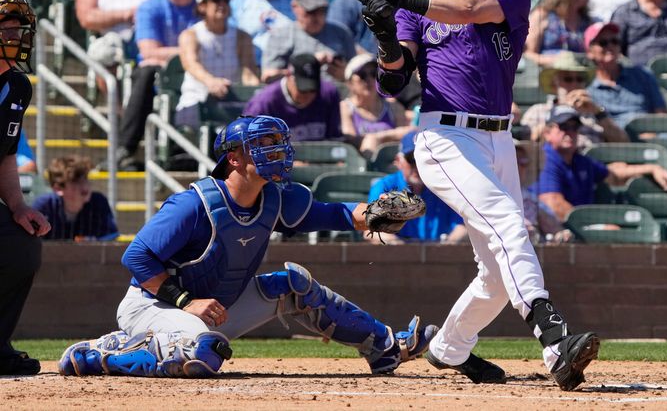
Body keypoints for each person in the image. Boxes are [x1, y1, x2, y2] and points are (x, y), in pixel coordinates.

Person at [355, 0, 599, 390]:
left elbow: (466, 10)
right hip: (445, 137)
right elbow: (392, 81)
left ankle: (448, 348)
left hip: (498, 136)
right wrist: (384, 31)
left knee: (494, 268)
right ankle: (555, 341)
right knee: (510, 223)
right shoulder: (417, 8)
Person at [58, 115, 437, 378]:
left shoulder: (275, 197)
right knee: (204, 352)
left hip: (215, 310)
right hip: (154, 306)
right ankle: (102, 353)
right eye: (263, 146)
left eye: (277, 144)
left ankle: (386, 346)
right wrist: (185, 301)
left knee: (293, 285)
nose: (276, 151)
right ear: (234, 157)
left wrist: (373, 213)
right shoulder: (195, 204)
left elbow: (336, 214)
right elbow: (135, 256)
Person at [0, 0, 51, 375]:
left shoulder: (17, 87)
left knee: (21, 244)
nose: (16, 35)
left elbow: (5, 155)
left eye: (19, 28)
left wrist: (18, 207)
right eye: (7, 28)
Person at [113, 0, 199, 171]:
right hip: (161, 73)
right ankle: (126, 147)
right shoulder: (150, 7)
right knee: (147, 72)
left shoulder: (205, 2)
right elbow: (150, 51)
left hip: (200, 72)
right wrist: (190, 53)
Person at [537, 105, 667, 229]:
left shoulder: (579, 161)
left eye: (574, 128)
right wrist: (594, 225)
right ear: (547, 133)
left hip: (578, 229)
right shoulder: (545, 158)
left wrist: (651, 168)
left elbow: (613, 176)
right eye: (564, 127)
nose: (570, 133)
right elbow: (553, 204)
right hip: (555, 231)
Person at [174, 0, 259, 128]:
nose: (222, 4)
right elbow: (191, 64)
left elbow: (249, 73)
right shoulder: (190, 35)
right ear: (202, 6)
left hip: (230, 103)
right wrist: (210, 82)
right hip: (195, 100)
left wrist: (257, 92)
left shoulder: (242, 37)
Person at [367, 130, 466, 244]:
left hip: (439, 254)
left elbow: (463, 225)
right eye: (412, 159)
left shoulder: (445, 185)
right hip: (398, 256)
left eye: (423, 160)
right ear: (398, 161)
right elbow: (372, 230)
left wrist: (447, 246)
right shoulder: (385, 186)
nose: (418, 166)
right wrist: (402, 249)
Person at [521, 50, 627, 146]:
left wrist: (598, 113)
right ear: (555, 83)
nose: (574, 84)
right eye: (568, 79)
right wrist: (557, 113)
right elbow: (530, 144)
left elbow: (623, 143)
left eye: (579, 79)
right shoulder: (538, 111)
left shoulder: (595, 112)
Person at [261, 0, 354, 83]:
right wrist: (308, 63)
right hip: (297, 96)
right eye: (311, 11)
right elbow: (268, 76)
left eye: (322, 10)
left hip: (337, 95)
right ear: (295, 7)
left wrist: (346, 73)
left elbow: (358, 69)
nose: (317, 17)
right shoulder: (280, 36)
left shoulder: (341, 33)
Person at [584, 22, 667, 130]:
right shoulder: (585, 84)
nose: (610, 46)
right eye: (603, 43)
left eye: (614, 41)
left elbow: (661, 114)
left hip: (648, 136)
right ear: (590, 52)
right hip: (611, 141)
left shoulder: (642, 74)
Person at [243, 53, 342, 142]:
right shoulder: (265, 102)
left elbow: (335, 139)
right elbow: (247, 144)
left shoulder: (328, 94)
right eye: (302, 90)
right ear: (289, 77)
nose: (308, 95)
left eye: (312, 90)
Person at [32, 156, 118, 241]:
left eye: (85, 179)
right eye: (76, 182)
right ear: (58, 188)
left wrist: (89, 241)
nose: (85, 186)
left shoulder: (99, 202)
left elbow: (111, 236)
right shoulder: (44, 206)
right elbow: (32, 240)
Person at [340, 54, 411, 156]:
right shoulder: (345, 108)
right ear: (349, 82)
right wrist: (384, 137)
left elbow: (405, 136)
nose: (369, 79)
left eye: (374, 74)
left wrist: (379, 138)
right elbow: (350, 139)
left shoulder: (394, 107)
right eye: (362, 75)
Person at [526, 0, 593, 68]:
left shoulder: (587, 22)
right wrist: (557, 61)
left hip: (578, 78)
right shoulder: (543, 15)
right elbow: (528, 54)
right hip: (547, 76)